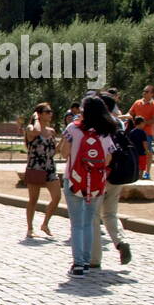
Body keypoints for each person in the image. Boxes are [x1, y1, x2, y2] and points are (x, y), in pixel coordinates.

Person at [58, 93, 117, 276]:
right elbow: (108, 158)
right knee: (90, 223)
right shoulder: (106, 130)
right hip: (96, 183)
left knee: (76, 224)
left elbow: (64, 153)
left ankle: (78, 263)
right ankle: (88, 260)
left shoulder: (73, 129)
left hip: (74, 180)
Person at [91, 92, 131, 269]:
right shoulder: (119, 123)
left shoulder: (97, 126)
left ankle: (94, 258)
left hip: (101, 174)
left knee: (93, 215)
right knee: (110, 213)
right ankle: (121, 241)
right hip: (119, 173)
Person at [22, 104, 61, 238]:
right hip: (35, 167)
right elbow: (36, 132)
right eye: (47, 112)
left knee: (57, 197)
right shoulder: (31, 128)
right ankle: (30, 228)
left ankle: (45, 224)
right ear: (39, 114)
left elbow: (54, 151)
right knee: (33, 199)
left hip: (50, 167)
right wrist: (35, 119)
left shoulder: (51, 131)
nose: (50, 114)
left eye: (51, 111)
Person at [127, 116, 150, 182]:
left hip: (134, 152)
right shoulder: (143, 132)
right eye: (144, 123)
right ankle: (140, 178)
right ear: (141, 123)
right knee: (142, 166)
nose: (144, 124)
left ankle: (135, 177)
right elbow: (144, 143)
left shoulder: (131, 131)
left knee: (135, 165)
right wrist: (147, 150)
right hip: (141, 152)